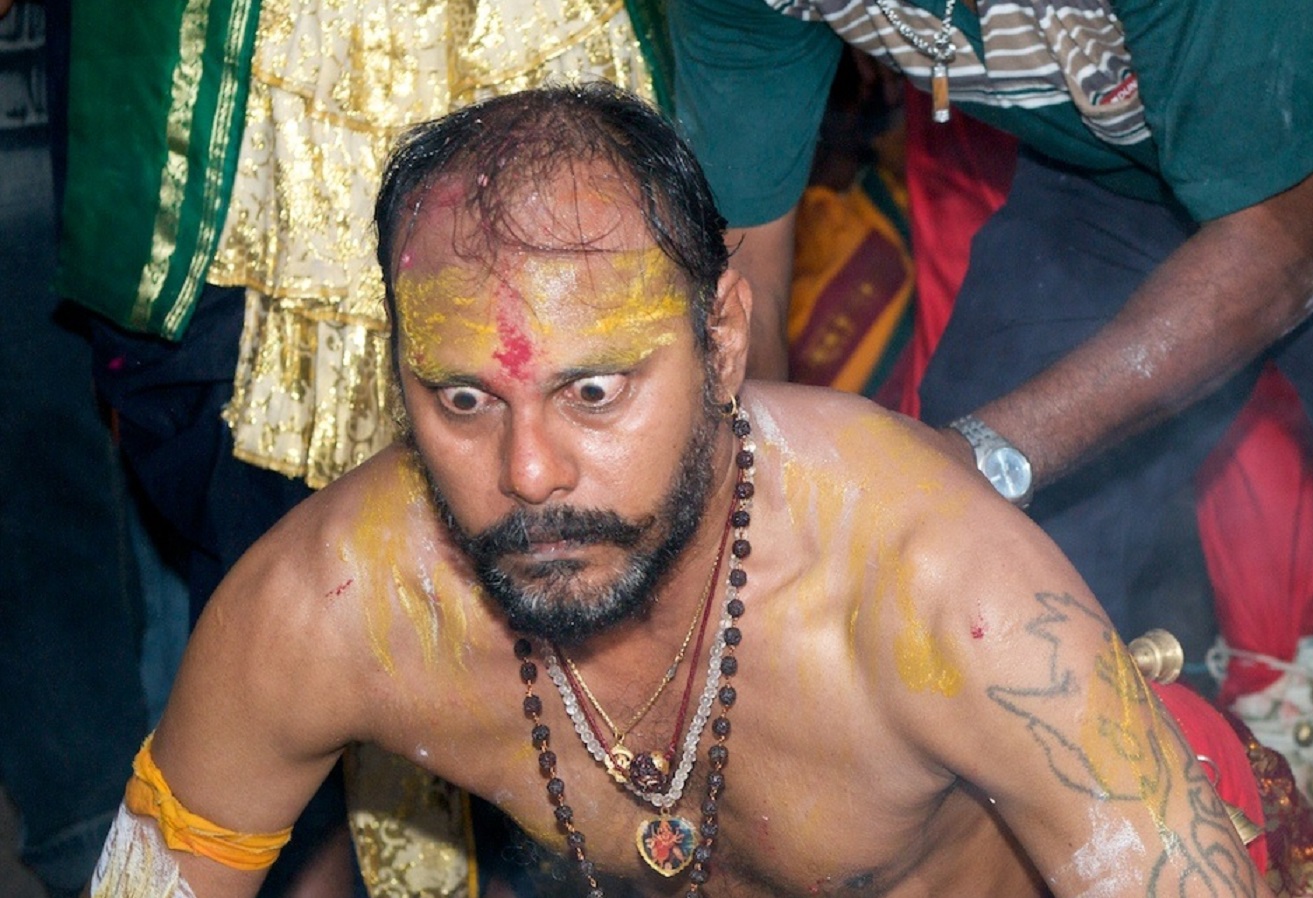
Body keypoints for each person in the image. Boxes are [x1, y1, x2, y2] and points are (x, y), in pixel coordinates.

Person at [90, 83, 1272, 898]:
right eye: (462, 400)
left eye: (594, 391)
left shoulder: (940, 588)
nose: (529, 472)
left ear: (720, 341)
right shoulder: (331, 604)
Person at [667, 0, 1313, 642]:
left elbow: (1279, 243)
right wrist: (753, 516)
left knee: (967, 482)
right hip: (1115, 178)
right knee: (972, 575)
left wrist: (984, 454)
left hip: (1289, 184)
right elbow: (744, 272)